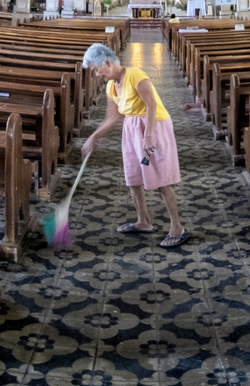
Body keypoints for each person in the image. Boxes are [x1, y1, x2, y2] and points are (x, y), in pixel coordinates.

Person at [80, 42, 188, 246]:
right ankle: (143, 221)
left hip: (153, 125)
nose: (96, 75)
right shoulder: (111, 86)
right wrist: (93, 137)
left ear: (108, 62)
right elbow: (112, 118)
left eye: (96, 70)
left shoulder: (136, 75)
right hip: (131, 129)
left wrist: (149, 136)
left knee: (160, 178)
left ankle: (177, 227)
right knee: (133, 177)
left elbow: (151, 105)